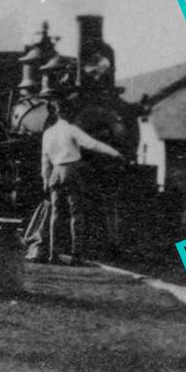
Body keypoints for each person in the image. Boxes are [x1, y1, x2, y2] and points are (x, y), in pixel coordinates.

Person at [41, 100, 123, 265]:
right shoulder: (71, 129)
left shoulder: (48, 133)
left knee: (56, 214)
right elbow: (92, 144)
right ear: (68, 113)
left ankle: (53, 254)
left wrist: (45, 178)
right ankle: (76, 257)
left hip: (55, 171)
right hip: (71, 171)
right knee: (76, 214)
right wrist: (114, 153)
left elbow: (45, 159)